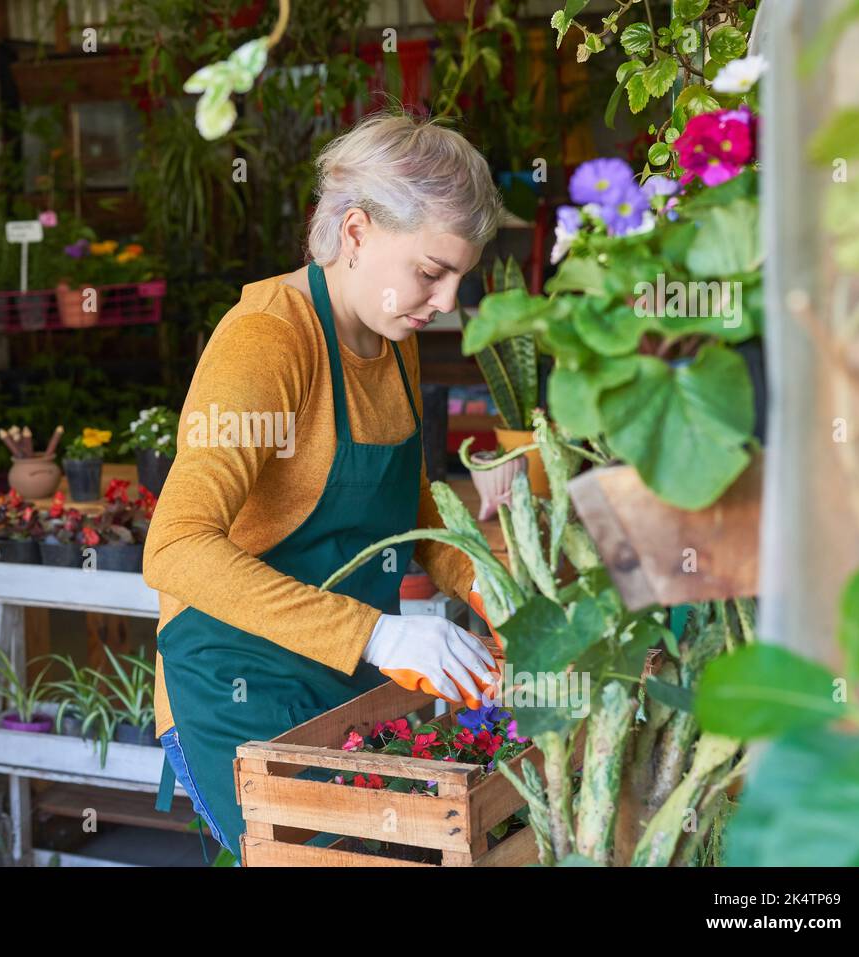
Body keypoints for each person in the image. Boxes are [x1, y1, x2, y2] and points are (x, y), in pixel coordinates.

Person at [144, 110, 506, 862]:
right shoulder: (266, 342)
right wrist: (379, 631)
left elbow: (412, 502)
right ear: (356, 232)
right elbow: (174, 548)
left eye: (458, 279)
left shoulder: (388, 334)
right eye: (432, 272)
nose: (445, 303)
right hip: (233, 680)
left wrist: (495, 586)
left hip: (344, 678)